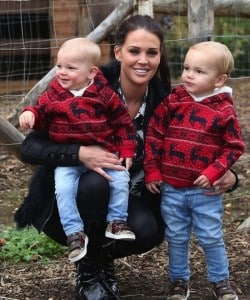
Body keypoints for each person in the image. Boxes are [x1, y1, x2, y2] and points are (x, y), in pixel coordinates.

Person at [15, 16, 239, 300]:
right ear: (118, 52)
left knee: (147, 228)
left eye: (151, 52)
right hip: (66, 202)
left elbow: (205, 144)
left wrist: (230, 176)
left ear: (160, 57)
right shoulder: (83, 84)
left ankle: (100, 258)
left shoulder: (167, 101)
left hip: (126, 200)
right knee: (96, 182)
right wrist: (80, 154)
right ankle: (89, 268)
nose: (142, 60)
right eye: (134, 51)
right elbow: (29, 148)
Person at [19, 38, 137, 263]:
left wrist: (126, 148)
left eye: (70, 68)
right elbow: (41, 114)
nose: (62, 72)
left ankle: (117, 221)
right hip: (68, 159)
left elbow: (122, 122)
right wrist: (30, 115)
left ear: (91, 72)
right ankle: (74, 232)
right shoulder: (54, 93)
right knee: (63, 189)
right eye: (59, 66)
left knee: (121, 179)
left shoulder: (103, 94)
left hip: (103, 152)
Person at [144, 41, 245, 300]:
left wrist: (214, 172)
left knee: (210, 236)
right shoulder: (173, 102)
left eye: (199, 71)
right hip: (171, 187)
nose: (188, 75)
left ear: (219, 79)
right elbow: (154, 134)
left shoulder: (223, 111)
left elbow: (233, 147)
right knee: (176, 237)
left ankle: (220, 280)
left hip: (205, 191)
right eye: (187, 68)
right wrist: (153, 170)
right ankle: (178, 280)